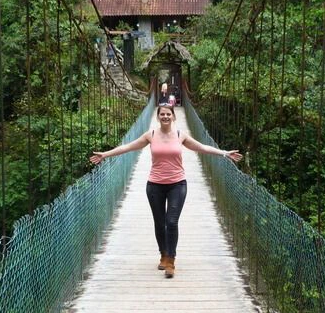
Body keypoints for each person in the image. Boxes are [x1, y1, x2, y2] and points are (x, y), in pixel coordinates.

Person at [89, 105, 242, 278]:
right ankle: (163, 253)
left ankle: (170, 259)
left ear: (174, 117)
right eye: (162, 114)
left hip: (177, 184)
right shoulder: (151, 135)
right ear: (158, 117)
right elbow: (127, 147)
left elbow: (202, 147)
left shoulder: (180, 135)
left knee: (172, 221)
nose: (165, 117)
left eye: (168, 114)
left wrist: (224, 153)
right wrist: (105, 155)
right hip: (155, 185)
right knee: (159, 222)